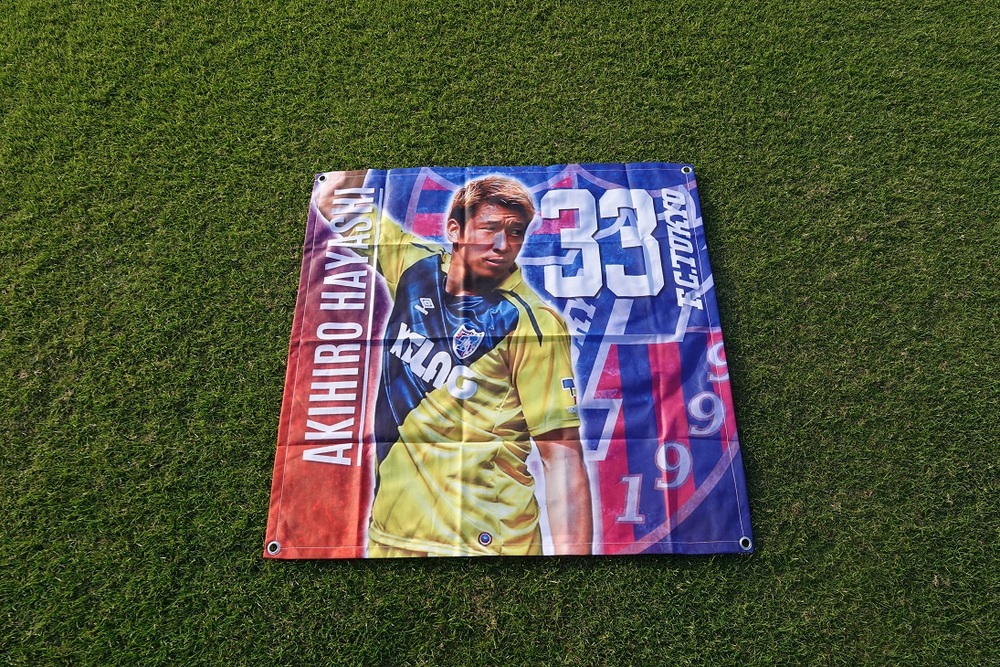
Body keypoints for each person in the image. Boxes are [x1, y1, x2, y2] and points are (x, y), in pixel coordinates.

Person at [314, 170, 592, 556]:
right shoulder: (415, 268)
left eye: (515, 232)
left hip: (491, 544)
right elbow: (333, 199)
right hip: (392, 535)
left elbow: (561, 456)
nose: (502, 245)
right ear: (454, 230)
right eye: (489, 228)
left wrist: (574, 569)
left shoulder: (533, 322)